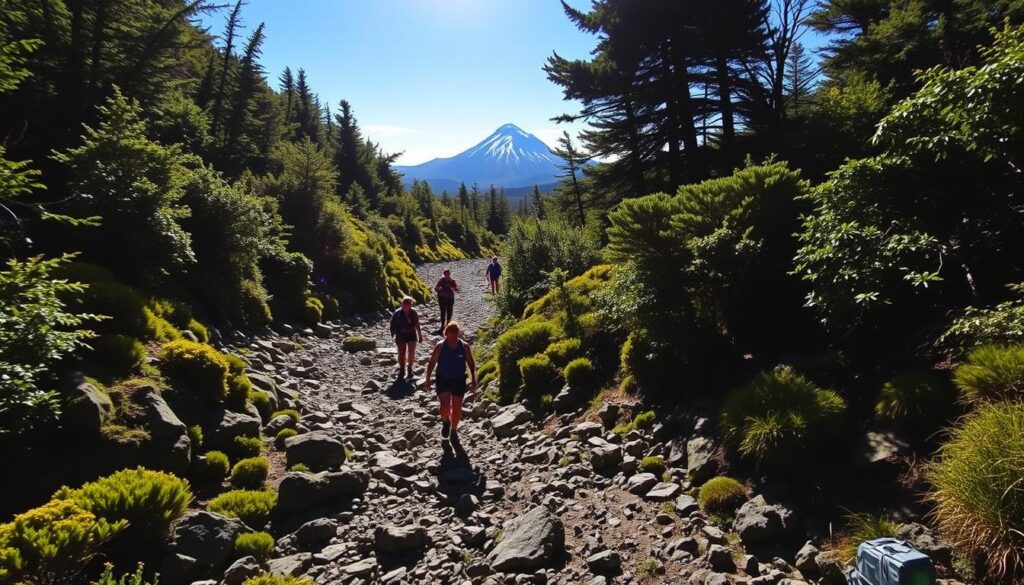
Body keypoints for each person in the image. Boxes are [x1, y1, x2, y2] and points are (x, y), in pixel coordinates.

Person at [422, 321, 477, 440]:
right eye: (450, 334)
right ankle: (446, 421)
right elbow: (432, 363)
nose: (452, 337)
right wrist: (427, 380)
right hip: (443, 379)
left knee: (457, 408)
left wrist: (473, 379)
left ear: (458, 334)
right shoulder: (440, 346)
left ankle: (453, 430)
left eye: (455, 334)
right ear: (445, 333)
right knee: (444, 406)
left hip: (459, 380)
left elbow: (471, 364)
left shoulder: (464, 346)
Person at [389, 296, 423, 379]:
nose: (406, 309)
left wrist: (420, 335)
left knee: (411, 352)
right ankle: (402, 369)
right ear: (402, 304)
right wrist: (392, 333)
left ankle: (409, 368)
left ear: (411, 305)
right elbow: (392, 323)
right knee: (401, 352)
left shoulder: (414, 312)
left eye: (408, 306)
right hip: (400, 335)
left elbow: (417, 324)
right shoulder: (397, 313)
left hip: (411, 334)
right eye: (404, 306)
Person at [434, 268, 459, 332]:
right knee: (443, 311)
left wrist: (453, 288)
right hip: (442, 298)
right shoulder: (441, 280)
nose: (447, 275)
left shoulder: (452, 281)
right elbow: (435, 288)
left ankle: (448, 325)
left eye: (448, 273)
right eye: (446, 274)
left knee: (449, 311)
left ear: (450, 274)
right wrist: (439, 290)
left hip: (450, 298)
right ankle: (442, 326)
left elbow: (457, 290)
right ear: (444, 274)